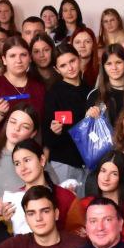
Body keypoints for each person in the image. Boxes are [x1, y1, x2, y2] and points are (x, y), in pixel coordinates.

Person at [63, 151, 124, 248]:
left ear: (122, 178)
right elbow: (70, 242)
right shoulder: (83, 205)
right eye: (103, 171)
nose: (106, 178)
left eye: (114, 174)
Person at [0, 38, 44, 149]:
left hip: (28, 154)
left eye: (23, 55)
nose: (18, 60)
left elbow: (42, 127)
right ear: (4, 60)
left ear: (30, 58)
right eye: (12, 56)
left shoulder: (39, 87)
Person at [0, 139, 76, 234]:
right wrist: (8, 223)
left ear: (42, 160)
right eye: (17, 163)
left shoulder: (65, 196)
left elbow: (78, 234)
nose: (22, 168)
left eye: (27, 160)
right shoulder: (13, 200)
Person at [43, 44, 89, 186]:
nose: (70, 68)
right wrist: (54, 131)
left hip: (90, 160)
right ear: (57, 69)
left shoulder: (91, 90)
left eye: (72, 61)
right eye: (63, 65)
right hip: (64, 161)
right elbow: (47, 136)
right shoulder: (53, 94)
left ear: (79, 59)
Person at [86, 44, 124, 128]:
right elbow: (89, 130)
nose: (114, 67)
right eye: (109, 64)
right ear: (103, 67)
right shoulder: (94, 95)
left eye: (118, 62)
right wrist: (87, 118)